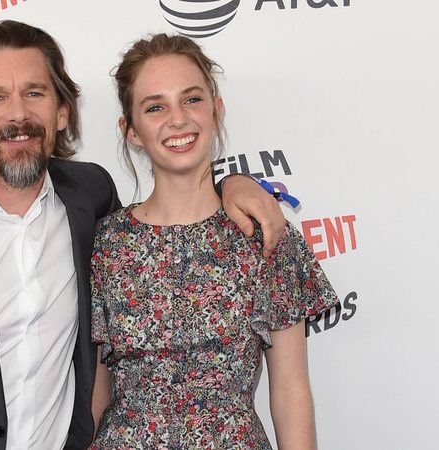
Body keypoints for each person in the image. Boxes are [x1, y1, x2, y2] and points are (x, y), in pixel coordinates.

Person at [0, 21, 285, 450]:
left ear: (63, 112)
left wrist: (231, 185)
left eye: (35, 93)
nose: (18, 114)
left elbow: (173, 219)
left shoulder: (92, 199)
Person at [89, 34, 340, 449]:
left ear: (216, 109)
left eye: (192, 99)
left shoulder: (266, 235)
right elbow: (95, 397)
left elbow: (291, 392)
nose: (178, 119)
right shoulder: (106, 245)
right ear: (131, 130)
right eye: (155, 107)